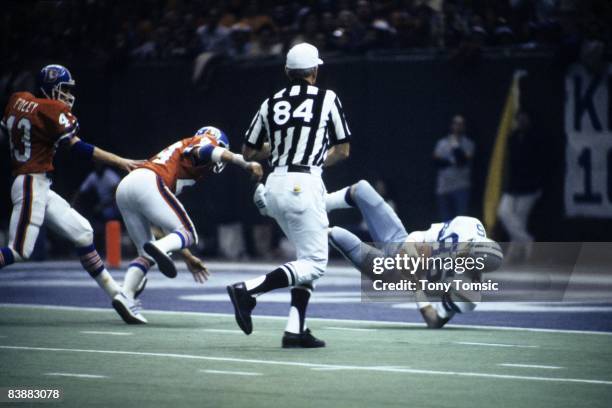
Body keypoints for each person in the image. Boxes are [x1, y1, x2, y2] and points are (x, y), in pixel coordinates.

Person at [227, 42, 351, 348]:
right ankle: (249, 290)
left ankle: (295, 329)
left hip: (275, 184)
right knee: (316, 263)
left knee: (304, 261)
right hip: (304, 183)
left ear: (287, 71)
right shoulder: (327, 98)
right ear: (315, 71)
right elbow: (343, 150)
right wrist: (317, 158)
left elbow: (249, 151)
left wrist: (279, 150)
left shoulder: (271, 102)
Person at [0, 64, 141, 321]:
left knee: (84, 232)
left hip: (37, 183)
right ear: (50, 87)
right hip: (31, 181)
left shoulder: (18, 100)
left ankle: (118, 294)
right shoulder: (52, 110)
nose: (67, 96)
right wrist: (121, 161)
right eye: (64, 89)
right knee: (20, 250)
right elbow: (79, 148)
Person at [114, 126, 263, 323]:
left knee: (146, 253)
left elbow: (166, 225)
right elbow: (208, 151)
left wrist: (187, 256)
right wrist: (244, 163)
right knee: (189, 233)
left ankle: (126, 295)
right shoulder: (205, 142)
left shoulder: (182, 156)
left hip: (126, 186)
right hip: (149, 180)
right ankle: (159, 249)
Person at [325, 180, 503, 328]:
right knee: (361, 190)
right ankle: (317, 205)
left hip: (395, 273)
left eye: (467, 258)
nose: (463, 252)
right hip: (402, 242)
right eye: (469, 247)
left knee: (335, 234)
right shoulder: (470, 225)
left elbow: (434, 320)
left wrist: (416, 285)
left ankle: (319, 230)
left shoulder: (469, 293)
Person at [497, 111, 541, 259]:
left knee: (521, 219)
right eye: (519, 119)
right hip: (513, 185)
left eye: (524, 119)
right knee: (504, 212)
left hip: (529, 186)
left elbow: (541, 163)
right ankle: (527, 240)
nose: (521, 122)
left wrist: (538, 184)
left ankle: (514, 254)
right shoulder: (512, 137)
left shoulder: (536, 138)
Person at [433, 115, 475, 220]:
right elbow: (437, 162)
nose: (457, 126)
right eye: (455, 123)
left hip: (461, 188)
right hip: (443, 188)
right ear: (451, 125)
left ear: (464, 126)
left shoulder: (469, 143)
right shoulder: (442, 143)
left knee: (460, 221)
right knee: (445, 222)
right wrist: (453, 161)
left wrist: (455, 145)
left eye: (460, 124)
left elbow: (462, 162)